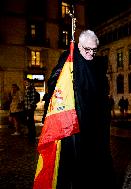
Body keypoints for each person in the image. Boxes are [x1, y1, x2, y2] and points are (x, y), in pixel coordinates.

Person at [35, 30, 116, 188]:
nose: (91, 53)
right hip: (75, 123)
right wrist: (66, 77)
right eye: (88, 49)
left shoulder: (98, 65)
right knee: (76, 165)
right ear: (79, 46)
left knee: (97, 164)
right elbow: (54, 81)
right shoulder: (69, 58)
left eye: (94, 50)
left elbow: (102, 92)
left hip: (96, 124)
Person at [23, 78, 38, 143]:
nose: (25, 83)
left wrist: (31, 107)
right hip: (27, 107)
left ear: (29, 82)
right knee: (29, 121)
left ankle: (32, 134)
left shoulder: (31, 89)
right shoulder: (27, 89)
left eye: (26, 82)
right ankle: (30, 133)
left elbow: (33, 99)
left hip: (30, 108)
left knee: (30, 121)